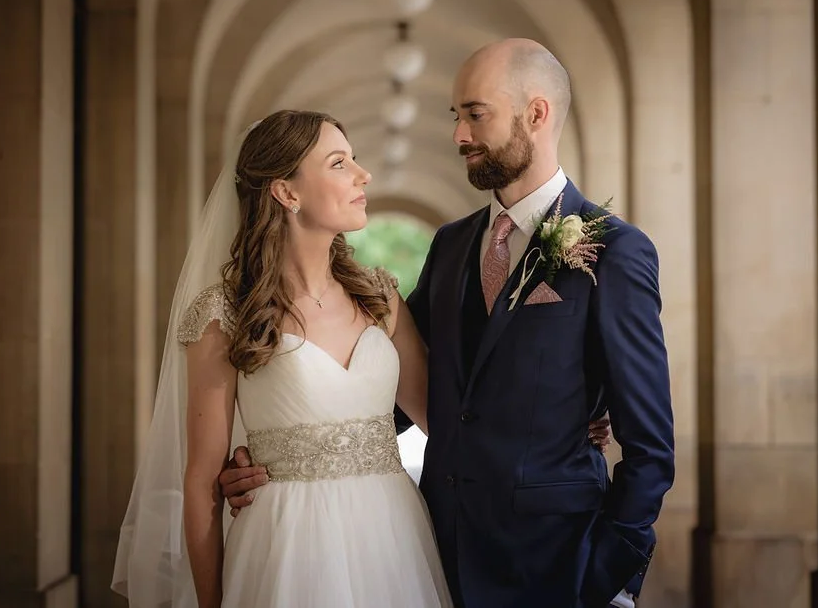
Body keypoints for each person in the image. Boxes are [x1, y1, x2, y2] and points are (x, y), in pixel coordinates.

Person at [220, 39, 675, 608]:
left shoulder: (614, 251)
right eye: (456, 116)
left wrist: (607, 575)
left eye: (475, 115)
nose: (459, 135)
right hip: (440, 558)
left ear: (536, 114)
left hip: (560, 564)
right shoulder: (452, 246)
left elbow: (651, 447)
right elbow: (385, 385)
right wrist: (273, 458)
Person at [112, 110, 454, 607]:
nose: (363, 175)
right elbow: (202, 481)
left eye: (353, 160)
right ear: (286, 192)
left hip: (392, 540)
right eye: (339, 163)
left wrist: (575, 418)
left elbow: (448, 420)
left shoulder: (381, 298)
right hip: (286, 547)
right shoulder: (224, 315)